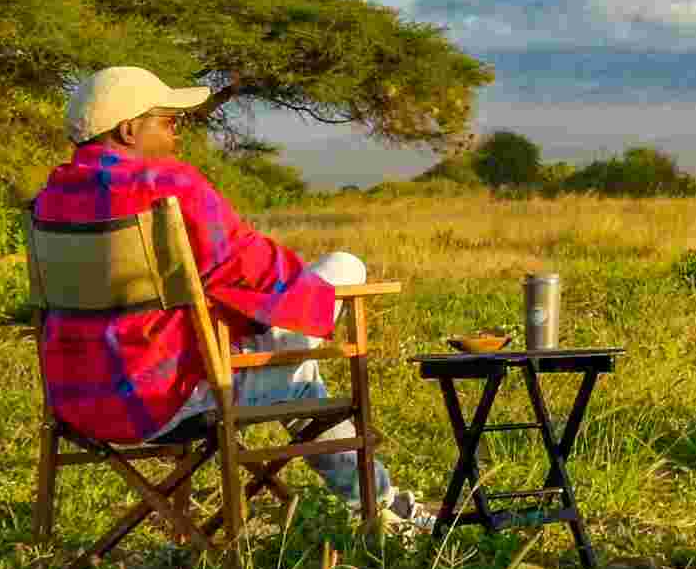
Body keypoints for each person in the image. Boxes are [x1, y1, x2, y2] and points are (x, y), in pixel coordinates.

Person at [32, 64, 430, 537]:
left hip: (78, 404)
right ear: (129, 129)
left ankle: (386, 511)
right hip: (166, 401)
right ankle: (384, 513)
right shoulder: (168, 184)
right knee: (338, 281)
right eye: (168, 120)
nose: (177, 131)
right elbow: (255, 268)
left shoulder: (49, 199)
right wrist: (302, 298)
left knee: (295, 365)